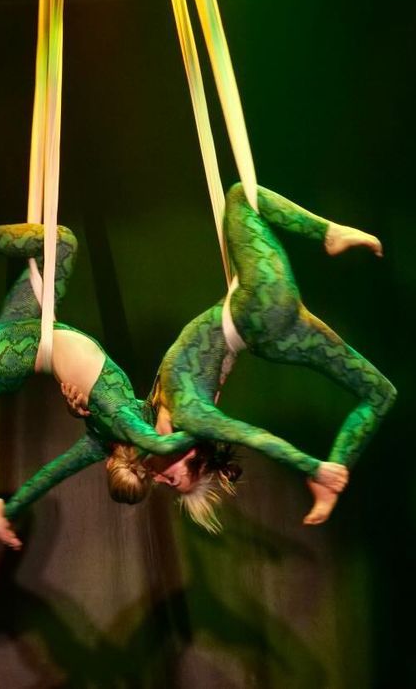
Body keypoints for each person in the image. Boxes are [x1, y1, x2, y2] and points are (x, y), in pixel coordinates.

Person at [0, 219, 194, 549]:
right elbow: (46, 479)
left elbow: (49, 475)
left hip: (12, 354)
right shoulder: (139, 417)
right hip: (30, 321)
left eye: (165, 482)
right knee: (62, 241)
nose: (161, 477)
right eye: (172, 479)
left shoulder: (119, 426)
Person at [141, 183, 397, 532]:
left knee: (380, 393)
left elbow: (109, 434)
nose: (159, 480)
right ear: (191, 457)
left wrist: (78, 402)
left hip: (268, 332)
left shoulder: (150, 409)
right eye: (174, 481)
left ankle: (329, 480)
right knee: (241, 197)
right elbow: (254, 436)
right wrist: (312, 466)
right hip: (260, 308)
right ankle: (329, 233)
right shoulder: (190, 415)